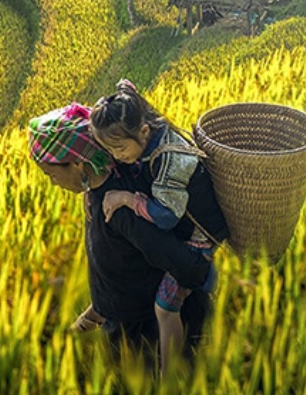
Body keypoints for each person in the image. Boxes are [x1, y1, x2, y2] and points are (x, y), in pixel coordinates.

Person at [30, 104, 215, 366]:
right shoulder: (97, 192)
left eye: (52, 174)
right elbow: (118, 265)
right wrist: (96, 311)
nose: (53, 182)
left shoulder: (118, 210)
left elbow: (183, 264)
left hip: (140, 339)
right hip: (116, 317)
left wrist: (198, 269)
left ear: (79, 164)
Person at [89, 80, 229, 374]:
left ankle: (169, 377)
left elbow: (166, 216)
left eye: (120, 148)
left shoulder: (170, 159)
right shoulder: (146, 132)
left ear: (143, 132)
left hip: (199, 237)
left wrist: (127, 198)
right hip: (182, 222)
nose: (116, 156)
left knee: (165, 308)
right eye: (109, 149)